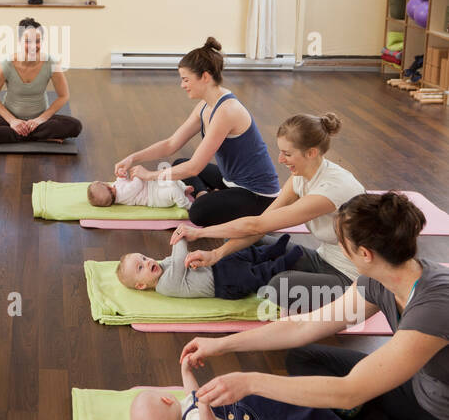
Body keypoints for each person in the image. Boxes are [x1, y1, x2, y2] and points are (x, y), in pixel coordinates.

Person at [180, 193, 449, 420]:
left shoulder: (436, 303)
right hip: (415, 388)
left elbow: (349, 390)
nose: (338, 246)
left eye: (342, 243)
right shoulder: (377, 280)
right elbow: (304, 325)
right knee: (304, 357)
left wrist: (251, 382)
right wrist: (222, 343)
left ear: (364, 254)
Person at [170, 112, 364, 314]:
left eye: (287, 154)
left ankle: (249, 278)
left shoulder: (330, 190)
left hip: (349, 279)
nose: (280, 159)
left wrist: (200, 233)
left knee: (278, 287)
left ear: (311, 153)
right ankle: (244, 274)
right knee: (235, 244)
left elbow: (256, 225)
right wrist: (215, 254)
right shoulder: (301, 176)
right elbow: (262, 223)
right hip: (321, 259)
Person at [114, 37, 279, 227]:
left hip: (258, 194)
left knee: (198, 212)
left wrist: (149, 175)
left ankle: (209, 198)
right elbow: (171, 144)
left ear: (205, 77)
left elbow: (194, 168)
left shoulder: (227, 111)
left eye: (186, 79)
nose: (182, 85)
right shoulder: (205, 106)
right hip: (231, 181)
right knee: (179, 163)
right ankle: (204, 193)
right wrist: (133, 158)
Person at [129, 349, 373, 420]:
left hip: (246, 408)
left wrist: (186, 371)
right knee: (297, 416)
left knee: (292, 395)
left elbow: (191, 394)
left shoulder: (185, 408)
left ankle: (336, 404)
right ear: (165, 399)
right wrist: (205, 406)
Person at [0, 18, 82, 144]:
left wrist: (40, 119)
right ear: (19, 41)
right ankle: (40, 136)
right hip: (12, 117)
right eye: (27, 41)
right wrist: (12, 121)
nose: (33, 46)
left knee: (75, 126)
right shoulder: (6, 64)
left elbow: (64, 95)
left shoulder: (51, 63)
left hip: (40, 120)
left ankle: (22, 134)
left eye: (37, 41)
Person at [117, 235, 304, 300]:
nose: (147, 261)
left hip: (215, 267)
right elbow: (180, 257)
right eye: (140, 268)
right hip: (224, 283)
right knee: (254, 275)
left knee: (243, 254)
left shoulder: (162, 266)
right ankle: (283, 263)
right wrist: (179, 235)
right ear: (141, 285)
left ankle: (271, 250)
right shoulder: (165, 286)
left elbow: (181, 260)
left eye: (143, 257)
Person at [87, 168, 190, 210]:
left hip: (152, 186)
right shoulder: (122, 195)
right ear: (108, 187)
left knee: (168, 176)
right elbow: (138, 185)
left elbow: (122, 180)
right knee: (172, 190)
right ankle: (186, 204)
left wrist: (122, 174)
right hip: (155, 197)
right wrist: (137, 175)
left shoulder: (115, 188)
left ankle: (183, 188)